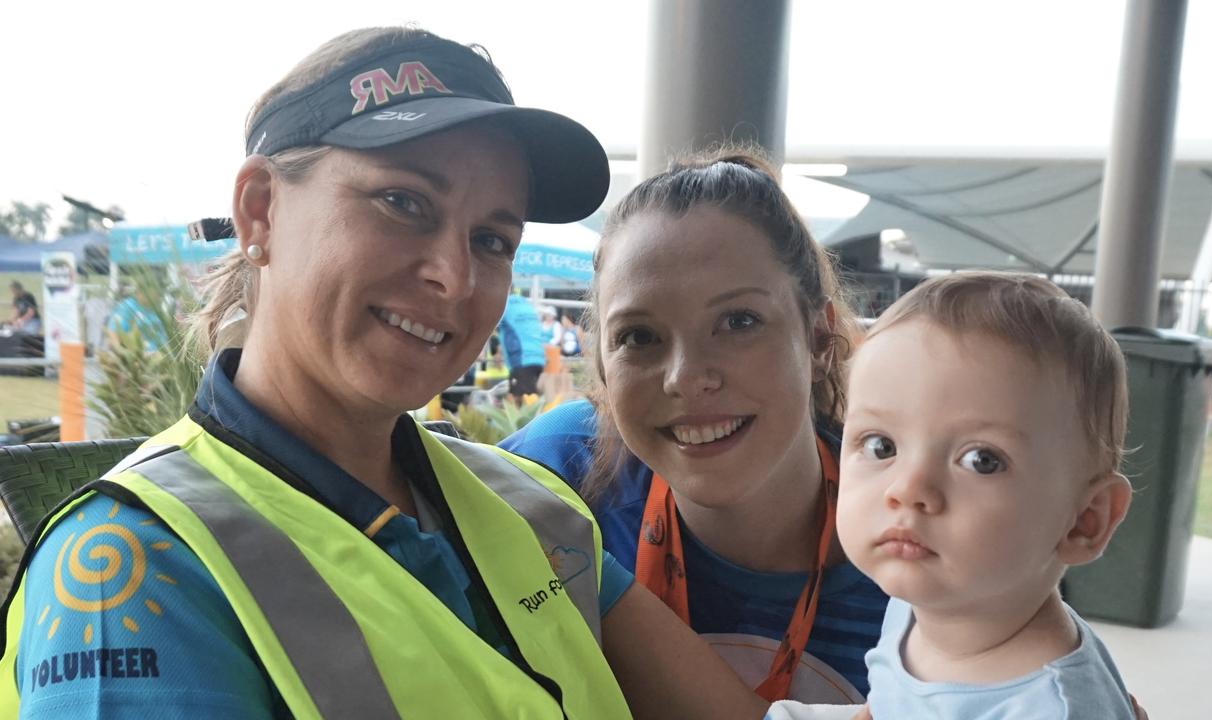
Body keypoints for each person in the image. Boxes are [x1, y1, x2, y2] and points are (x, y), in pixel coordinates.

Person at [0, 27, 766, 720]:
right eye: (403, 202)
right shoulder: (130, 573)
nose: (455, 277)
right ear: (259, 210)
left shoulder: (529, 508)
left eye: (494, 239)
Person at [501, 148, 890, 705]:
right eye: (639, 336)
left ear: (820, 341)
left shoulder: (921, 549)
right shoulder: (556, 476)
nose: (685, 378)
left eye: (738, 322)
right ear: (604, 369)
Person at [837, 272, 1135, 718]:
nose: (908, 489)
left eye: (982, 460)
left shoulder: (1051, 708)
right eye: (882, 446)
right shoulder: (918, 600)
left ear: (1083, 520)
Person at [497, 290, 546, 399]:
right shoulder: (524, 303)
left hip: (522, 359)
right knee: (532, 401)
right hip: (538, 358)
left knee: (521, 403)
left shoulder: (503, 305)